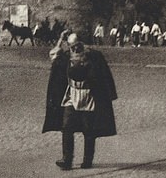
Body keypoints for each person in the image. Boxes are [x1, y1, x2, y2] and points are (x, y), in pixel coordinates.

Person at [43, 35, 117, 170]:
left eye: (77, 45)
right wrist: (60, 40)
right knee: (66, 127)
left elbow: (103, 75)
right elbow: (53, 56)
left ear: (82, 43)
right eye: (72, 46)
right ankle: (67, 159)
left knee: (88, 130)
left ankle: (87, 160)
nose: (75, 48)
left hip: (88, 96)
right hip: (71, 94)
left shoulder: (93, 56)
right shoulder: (65, 56)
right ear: (69, 46)